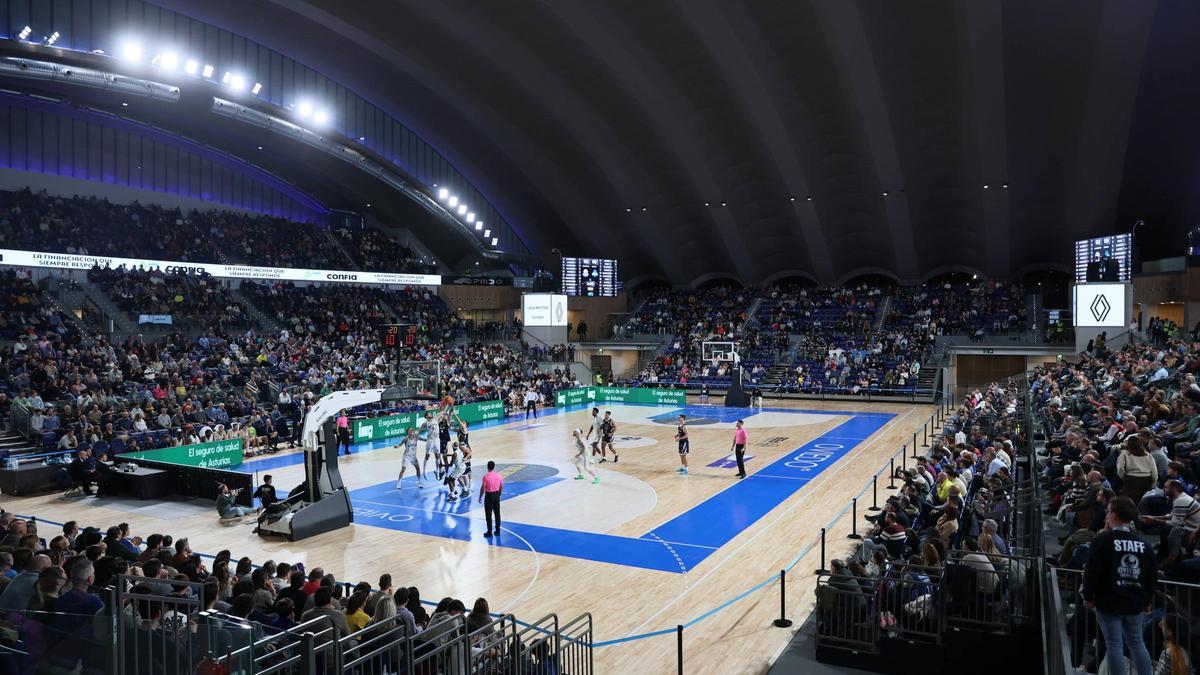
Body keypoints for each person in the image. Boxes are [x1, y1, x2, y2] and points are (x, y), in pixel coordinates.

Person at [1083, 496, 1156, 675]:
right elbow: (1151, 576)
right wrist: (1146, 600)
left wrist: (1088, 595)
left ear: (1114, 515)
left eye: (1108, 512)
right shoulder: (1145, 545)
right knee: (1137, 643)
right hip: (1135, 602)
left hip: (1109, 601)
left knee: (1114, 645)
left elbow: (1092, 571)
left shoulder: (1103, 540)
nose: (1106, 516)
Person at [479, 460, 504, 537]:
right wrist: (499, 494)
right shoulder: (499, 476)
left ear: (487, 467)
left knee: (488, 514)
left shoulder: (485, 477)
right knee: (497, 514)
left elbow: (483, 488)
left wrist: (480, 497)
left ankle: (489, 532)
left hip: (489, 496)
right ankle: (498, 531)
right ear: (494, 467)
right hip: (496, 495)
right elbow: (501, 487)